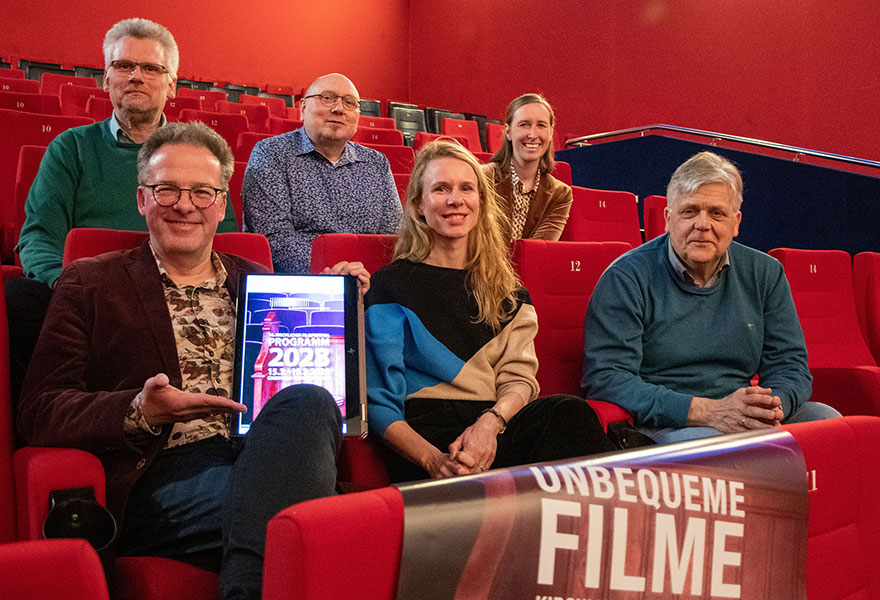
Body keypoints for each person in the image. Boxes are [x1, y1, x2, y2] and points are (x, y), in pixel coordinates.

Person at [17, 122, 364, 600]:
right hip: (165, 472)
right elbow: (40, 408)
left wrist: (337, 307)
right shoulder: (90, 282)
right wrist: (140, 410)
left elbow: (312, 382)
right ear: (142, 199)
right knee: (329, 519)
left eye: (203, 192)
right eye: (166, 190)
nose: (185, 204)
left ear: (222, 205)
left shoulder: (265, 284)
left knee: (309, 401)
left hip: (271, 453)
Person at [7, 18, 237, 407]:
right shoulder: (71, 149)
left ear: (172, 85)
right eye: (124, 66)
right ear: (106, 78)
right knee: (16, 296)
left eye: (151, 68)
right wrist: (70, 292)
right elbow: (39, 237)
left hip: (179, 291)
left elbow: (225, 238)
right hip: (91, 301)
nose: (136, 77)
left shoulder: (198, 156)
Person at [365, 140, 614, 482]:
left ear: (481, 202)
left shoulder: (508, 290)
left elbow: (520, 381)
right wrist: (434, 461)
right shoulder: (389, 286)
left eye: (467, 188)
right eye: (441, 189)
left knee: (569, 412)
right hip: (423, 436)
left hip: (493, 427)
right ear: (419, 206)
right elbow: (379, 404)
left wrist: (490, 423)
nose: (456, 200)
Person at [582, 151, 840, 445]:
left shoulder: (766, 273)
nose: (702, 224)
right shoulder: (626, 277)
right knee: (720, 450)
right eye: (690, 211)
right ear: (668, 219)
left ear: (736, 222)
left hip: (743, 415)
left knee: (828, 423)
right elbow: (608, 378)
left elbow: (790, 365)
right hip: (670, 423)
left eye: (717, 213)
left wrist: (769, 407)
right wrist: (708, 411)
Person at [242, 72, 402, 274]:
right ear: (302, 108)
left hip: (368, 283)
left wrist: (365, 279)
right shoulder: (271, 154)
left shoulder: (376, 163)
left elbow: (391, 238)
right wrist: (335, 277)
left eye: (349, 102)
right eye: (327, 98)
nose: (338, 109)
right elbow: (273, 238)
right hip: (298, 286)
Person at [484, 93, 572, 242]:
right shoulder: (481, 179)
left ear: (550, 133)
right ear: (508, 132)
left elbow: (538, 251)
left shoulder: (561, 194)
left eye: (541, 125)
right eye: (524, 124)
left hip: (532, 264)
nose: (533, 134)